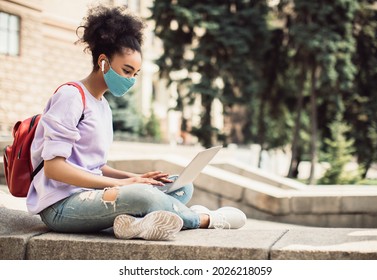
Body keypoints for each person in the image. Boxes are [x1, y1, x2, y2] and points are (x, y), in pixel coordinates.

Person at [26, 5, 246, 241]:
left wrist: (138, 177)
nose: (131, 80)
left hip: (91, 195)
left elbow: (95, 165)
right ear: (103, 62)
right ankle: (201, 219)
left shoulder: (102, 105)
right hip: (61, 206)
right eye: (127, 70)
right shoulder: (71, 96)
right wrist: (128, 186)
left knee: (179, 186)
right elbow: (54, 168)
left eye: (135, 74)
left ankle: (134, 224)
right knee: (143, 196)